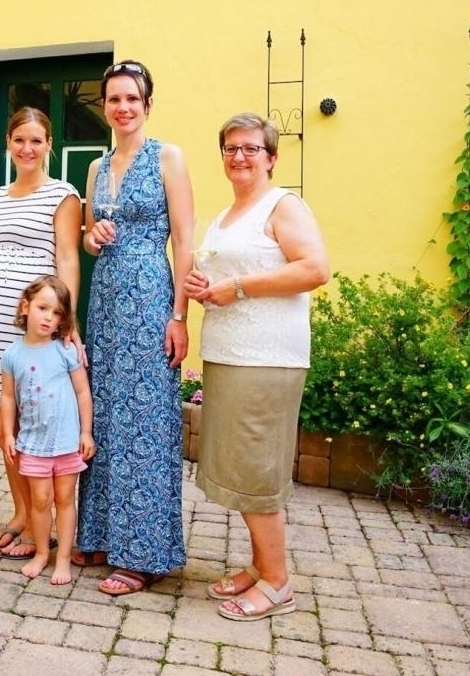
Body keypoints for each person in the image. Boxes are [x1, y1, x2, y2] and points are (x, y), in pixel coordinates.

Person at [183, 112, 329, 621]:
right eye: (231, 148)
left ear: (271, 157)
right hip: (229, 354)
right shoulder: (228, 214)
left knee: (258, 471)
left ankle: (278, 583)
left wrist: (238, 288)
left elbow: (315, 269)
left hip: (267, 358)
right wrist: (205, 287)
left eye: (250, 148)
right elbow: (229, 277)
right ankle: (260, 565)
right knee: (243, 468)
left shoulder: (282, 205)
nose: (239, 156)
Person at [74, 59, 195, 596]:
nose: (122, 107)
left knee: (144, 419)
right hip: (104, 300)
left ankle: (143, 553)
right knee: (103, 415)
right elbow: (86, 237)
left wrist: (179, 316)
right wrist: (92, 237)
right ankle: (101, 534)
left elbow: (185, 240)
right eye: (113, 99)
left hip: (149, 298)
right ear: (105, 107)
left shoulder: (167, 157)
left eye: (131, 98)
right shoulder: (97, 167)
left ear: (147, 104)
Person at [0, 107, 82, 560]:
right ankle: (21, 513)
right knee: (2, 428)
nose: (27, 149)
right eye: (19, 140)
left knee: (30, 428)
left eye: (36, 140)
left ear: (49, 145)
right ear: (8, 144)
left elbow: (67, 257)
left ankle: (38, 524)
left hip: (36, 328)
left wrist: (68, 321)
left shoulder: (63, 195)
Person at [0, 276, 95, 584]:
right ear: (25, 307)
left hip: (66, 443)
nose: (48, 317)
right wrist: (8, 434)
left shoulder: (65, 350)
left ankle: (63, 558)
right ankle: (41, 553)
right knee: (40, 500)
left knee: (64, 498)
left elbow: (83, 392)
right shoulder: (12, 354)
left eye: (56, 313)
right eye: (42, 308)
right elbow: (8, 397)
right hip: (33, 443)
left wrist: (86, 432)